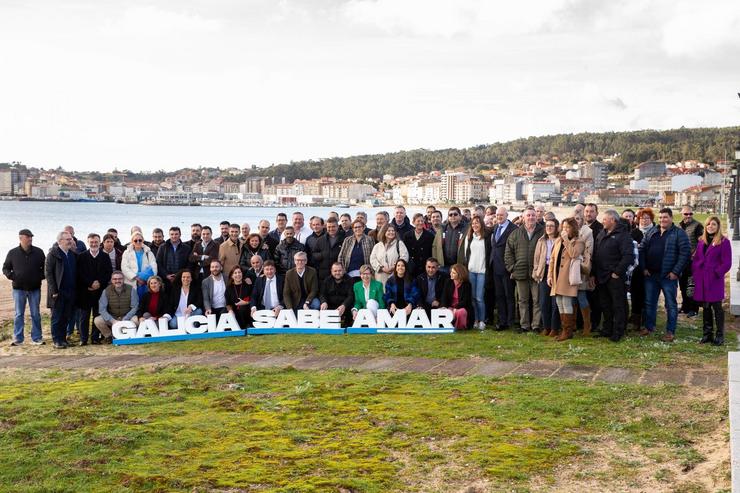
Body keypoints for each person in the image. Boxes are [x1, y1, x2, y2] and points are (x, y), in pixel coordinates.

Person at [639, 208, 691, 342]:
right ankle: (649, 327)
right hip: (651, 275)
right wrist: (644, 268)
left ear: (672, 218)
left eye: (665, 217)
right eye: (661, 217)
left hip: (668, 277)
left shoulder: (679, 233)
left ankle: (670, 331)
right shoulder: (652, 231)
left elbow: (685, 254)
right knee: (650, 303)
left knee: (671, 305)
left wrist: (675, 272)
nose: (662, 220)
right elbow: (642, 249)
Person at [593, 210, 636, 342]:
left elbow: (629, 256)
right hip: (601, 276)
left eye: (605, 219)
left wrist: (617, 272)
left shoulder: (623, 235)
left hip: (615, 277)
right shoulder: (602, 233)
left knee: (618, 305)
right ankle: (607, 329)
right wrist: (593, 273)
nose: (602, 221)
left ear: (613, 220)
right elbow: (596, 253)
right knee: (605, 304)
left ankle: (618, 331)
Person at [691, 216, 731, 346]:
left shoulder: (724, 242)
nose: (710, 227)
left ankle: (720, 335)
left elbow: (727, 263)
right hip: (702, 278)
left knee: (717, 307)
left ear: (718, 226)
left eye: (713, 224)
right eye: (708, 224)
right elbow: (697, 258)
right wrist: (696, 268)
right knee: (706, 307)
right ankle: (707, 334)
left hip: (714, 279)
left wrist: (716, 273)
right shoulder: (702, 241)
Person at [3, 228, 45, 346]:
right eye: (28, 237)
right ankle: (18, 338)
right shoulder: (12, 253)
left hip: (35, 288)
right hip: (18, 289)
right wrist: (12, 276)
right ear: (21, 238)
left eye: (31, 237)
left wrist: (39, 277)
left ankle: (37, 338)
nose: (30, 239)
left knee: (35, 313)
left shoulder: (39, 252)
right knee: (18, 314)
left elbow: (46, 268)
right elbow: (5, 267)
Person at [504, 208, 544, 333]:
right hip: (520, 272)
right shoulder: (515, 233)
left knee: (537, 300)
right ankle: (524, 325)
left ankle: (536, 325)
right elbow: (508, 253)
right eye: (528, 215)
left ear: (536, 217)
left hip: (537, 272)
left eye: (533, 215)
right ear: (523, 217)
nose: (531, 217)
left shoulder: (542, 232)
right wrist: (512, 268)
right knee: (522, 300)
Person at [548, 218, 585, 341]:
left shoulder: (578, 241)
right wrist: (549, 275)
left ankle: (568, 331)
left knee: (566, 302)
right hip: (557, 276)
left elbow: (574, 254)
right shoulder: (559, 241)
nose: (564, 230)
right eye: (563, 227)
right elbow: (552, 259)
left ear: (573, 228)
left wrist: (566, 241)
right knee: (559, 302)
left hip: (568, 277)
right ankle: (564, 329)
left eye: (567, 227)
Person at [76, 233, 113, 345]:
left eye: (96, 242)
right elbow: (79, 274)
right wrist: (90, 283)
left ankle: (95, 338)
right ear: (88, 242)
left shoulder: (105, 256)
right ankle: (83, 339)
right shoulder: (81, 256)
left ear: (99, 242)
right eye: (91, 242)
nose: (94, 244)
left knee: (97, 316)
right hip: (85, 291)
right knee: (84, 317)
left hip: (100, 292)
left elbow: (108, 273)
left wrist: (99, 283)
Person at [46, 231, 78, 349]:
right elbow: (48, 274)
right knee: (56, 317)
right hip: (58, 292)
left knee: (66, 317)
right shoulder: (53, 254)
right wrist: (54, 291)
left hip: (70, 291)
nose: (70, 241)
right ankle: (56, 340)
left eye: (71, 239)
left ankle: (63, 339)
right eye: (68, 239)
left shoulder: (72, 254)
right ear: (60, 241)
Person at [456, 215, 489, 330]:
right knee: (473, 297)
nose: (475, 225)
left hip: (482, 272)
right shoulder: (469, 237)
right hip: (471, 271)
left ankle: (482, 320)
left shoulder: (487, 237)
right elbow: (465, 255)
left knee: (479, 297)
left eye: (477, 223)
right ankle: (474, 319)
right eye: (473, 223)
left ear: (481, 224)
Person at [490, 207, 517, 330]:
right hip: (495, 268)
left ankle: (510, 321)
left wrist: (513, 268)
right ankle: (502, 321)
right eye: (497, 215)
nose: (499, 217)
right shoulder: (496, 228)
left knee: (509, 296)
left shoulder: (513, 229)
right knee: (499, 295)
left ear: (507, 215)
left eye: (501, 215)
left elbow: (515, 250)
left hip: (507, 268)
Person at [94, 270, 139, 343]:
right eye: (115, 279)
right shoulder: (106, 291)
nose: (117, 281)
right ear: (111, 280)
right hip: (113, 317)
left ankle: (130, 335)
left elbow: (135, 307)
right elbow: (102, 309)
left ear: (123, 279)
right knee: (98, 320)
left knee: (136, 320)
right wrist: (112, 320)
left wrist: (126, 318)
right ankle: (109, 336)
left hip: (127, 316)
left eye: (120, 279)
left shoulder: (131, 289)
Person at [533, 218, 560, 337]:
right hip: (543, 272)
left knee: (555, 303)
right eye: (547, 225)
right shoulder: (541, 240)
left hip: (556, 272)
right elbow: (537, 258)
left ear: (556, 227)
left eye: (552, 226)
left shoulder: (560, 241)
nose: (549, 228)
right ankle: (546, 326)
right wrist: (536, 272)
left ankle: (554, 328)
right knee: (543, 302)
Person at [630, 208, 655, 331]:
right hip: (636, 270)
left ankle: (647, 322)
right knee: (636, 295)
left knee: (649, 296)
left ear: (651, 219)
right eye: (642, 218)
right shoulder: (634, 233)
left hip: (651, 269)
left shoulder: (656, 232)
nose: (644, 221)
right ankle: (635, 321)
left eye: (647, 218)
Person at [679, 205, 703, 318]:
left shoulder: (697, 226)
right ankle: (685, 306)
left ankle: (694, 308)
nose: (688, 216)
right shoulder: (679, 226)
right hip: (682, 261)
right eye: (686, 214)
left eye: (690, 214)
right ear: (681, 214)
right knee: (683, 284)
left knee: (691, 285)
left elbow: (702, 242)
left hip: (693, 261)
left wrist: (695, 254)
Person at [573, 211, 594, 336]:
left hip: (581, 268)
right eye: (575, 218)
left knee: (581, 296)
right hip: (569, 269)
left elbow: (588, 251)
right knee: (572, 298)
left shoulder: (587, 233)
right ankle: (574, 323)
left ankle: (587, 324)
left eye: (579, 219)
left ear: (583, 220)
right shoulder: (569, 232)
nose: (577, 221)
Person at [584, 203, 603, 332]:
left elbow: (598, 253)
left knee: (595, 299)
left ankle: (595, 324)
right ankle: (585, 323)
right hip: (583, 269)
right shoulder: (582, 227)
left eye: (591, 211)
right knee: (584, 297)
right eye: (586, 211)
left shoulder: (600, 229)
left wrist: (593, 273)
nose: (588, 214)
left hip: (594, 270)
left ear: (596, 213)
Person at [121, 231, 157, 295]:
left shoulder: (148, 252)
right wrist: (136, 278)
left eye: (140, 240)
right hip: (131, 282)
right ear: (132, 241)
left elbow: (154, 266)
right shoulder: (127, 253)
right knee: (133, 301)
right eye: (135, 240)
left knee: (145, 301)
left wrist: (149, 279)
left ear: (143, 240)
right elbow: (124, 267)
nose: (138, 242)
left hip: (146, 282)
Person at [319, 262, 355, 326]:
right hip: (330, 306)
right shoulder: (327, 280)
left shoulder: (350, 280)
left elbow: (351, 296)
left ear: (343, 270)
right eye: (335, 271)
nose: (337, 273)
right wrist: (324, 302)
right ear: (331, 271)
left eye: (339, 271)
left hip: (345, 307)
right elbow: (322, 294)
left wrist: (344, 305)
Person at [312, 217, 346, 283]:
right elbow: (314, 253)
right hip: (324, 274)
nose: (331, 229)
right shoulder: (321, 240)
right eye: (329, 227)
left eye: (333, 226)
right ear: (326, 227)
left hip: (339, 273)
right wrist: (322, 255)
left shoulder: (344, 239)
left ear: (338, 227)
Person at [440, 263, 473, 330]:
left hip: (462, 307)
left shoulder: (467, 285)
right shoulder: (448, 282)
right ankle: (450, 326)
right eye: (451, 272)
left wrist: (455, 308)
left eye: (453, 273)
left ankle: (459, 327)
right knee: (445, 311)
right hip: (450, 307)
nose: (450, 274)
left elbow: (465, 301)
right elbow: (444, 296)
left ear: (459, 274)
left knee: (460, 312)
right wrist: (444, 306)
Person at [403, 213, 435, 279]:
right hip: (411, 267)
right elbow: (404, 252)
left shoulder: (430, 236)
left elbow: (431, 252)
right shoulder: (407, 235)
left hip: (424, 267)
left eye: (422, 221)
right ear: (413, 222)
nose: (420, 223)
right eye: (418, 221)